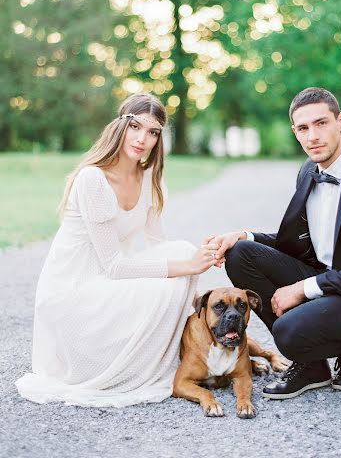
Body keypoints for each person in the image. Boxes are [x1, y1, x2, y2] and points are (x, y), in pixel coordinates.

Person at [209, 87, 341, 400]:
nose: (313, 136)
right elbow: (299, 243)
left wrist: (301, 289)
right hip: (329, 281)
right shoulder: (309, 169)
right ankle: (311, 365)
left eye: (321, 123)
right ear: (295, 131)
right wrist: (245, 236)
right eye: (303, 128)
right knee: (240, 254)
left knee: (289, 331)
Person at [16, 93, 221, 407]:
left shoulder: (150, 178)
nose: (143, 139)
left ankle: (171, 354)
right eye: (136, 127)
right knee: (179, 266)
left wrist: (196, 279)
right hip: (74, 290)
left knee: (181, 250)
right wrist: (187, 268)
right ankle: (141, 365)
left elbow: (159, 245)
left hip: (108, 278)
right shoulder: (93, 179)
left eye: (153, 132)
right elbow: (113, 266)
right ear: (119, 127)